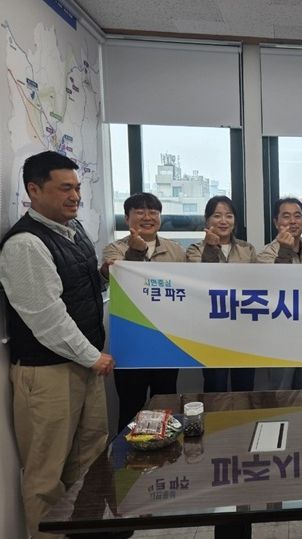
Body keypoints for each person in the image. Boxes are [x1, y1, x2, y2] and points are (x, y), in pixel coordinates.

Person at [0, 151, 114, 539]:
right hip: (48, 375)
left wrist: (104, 275)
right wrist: (93, 357)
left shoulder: (73, 230)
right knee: (46, 475)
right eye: (65, 188)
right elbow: (46, 317)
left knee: (89, 460)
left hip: (84, 366)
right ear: (34, 190)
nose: (75, 196)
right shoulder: (25, 245)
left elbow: (77, 288)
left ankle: (86, 532)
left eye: (77, 188)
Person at [101, 193, 186, 433]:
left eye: (153, 212)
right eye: (139, 212)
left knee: (165, 405)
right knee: (131, 407)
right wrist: (135, 252)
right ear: (127, 217)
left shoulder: (176, 251)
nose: (147, 217)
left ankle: (166, 453)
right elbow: (118, 279)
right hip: (131, 342)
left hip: (166, 340)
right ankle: (126, 457)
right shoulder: (115, 249)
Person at [187, 196, 257, 392]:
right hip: (211, 330)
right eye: (217, 216)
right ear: (207, 220)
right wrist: (210, 248)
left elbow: (258, 282)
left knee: (244, 386)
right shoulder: (195, 250)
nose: (223, 221)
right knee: (215, 386)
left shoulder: (247, 249)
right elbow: (199, 281)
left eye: (229, 216)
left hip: (243, 329)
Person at [257, 197, 302, 389]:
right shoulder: (266, 254)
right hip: (280, 336)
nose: (293, 221)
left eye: (297, 216)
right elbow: (273, 287)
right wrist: (285, 252)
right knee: (281, 391)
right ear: (276, 222)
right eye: (286, 216)